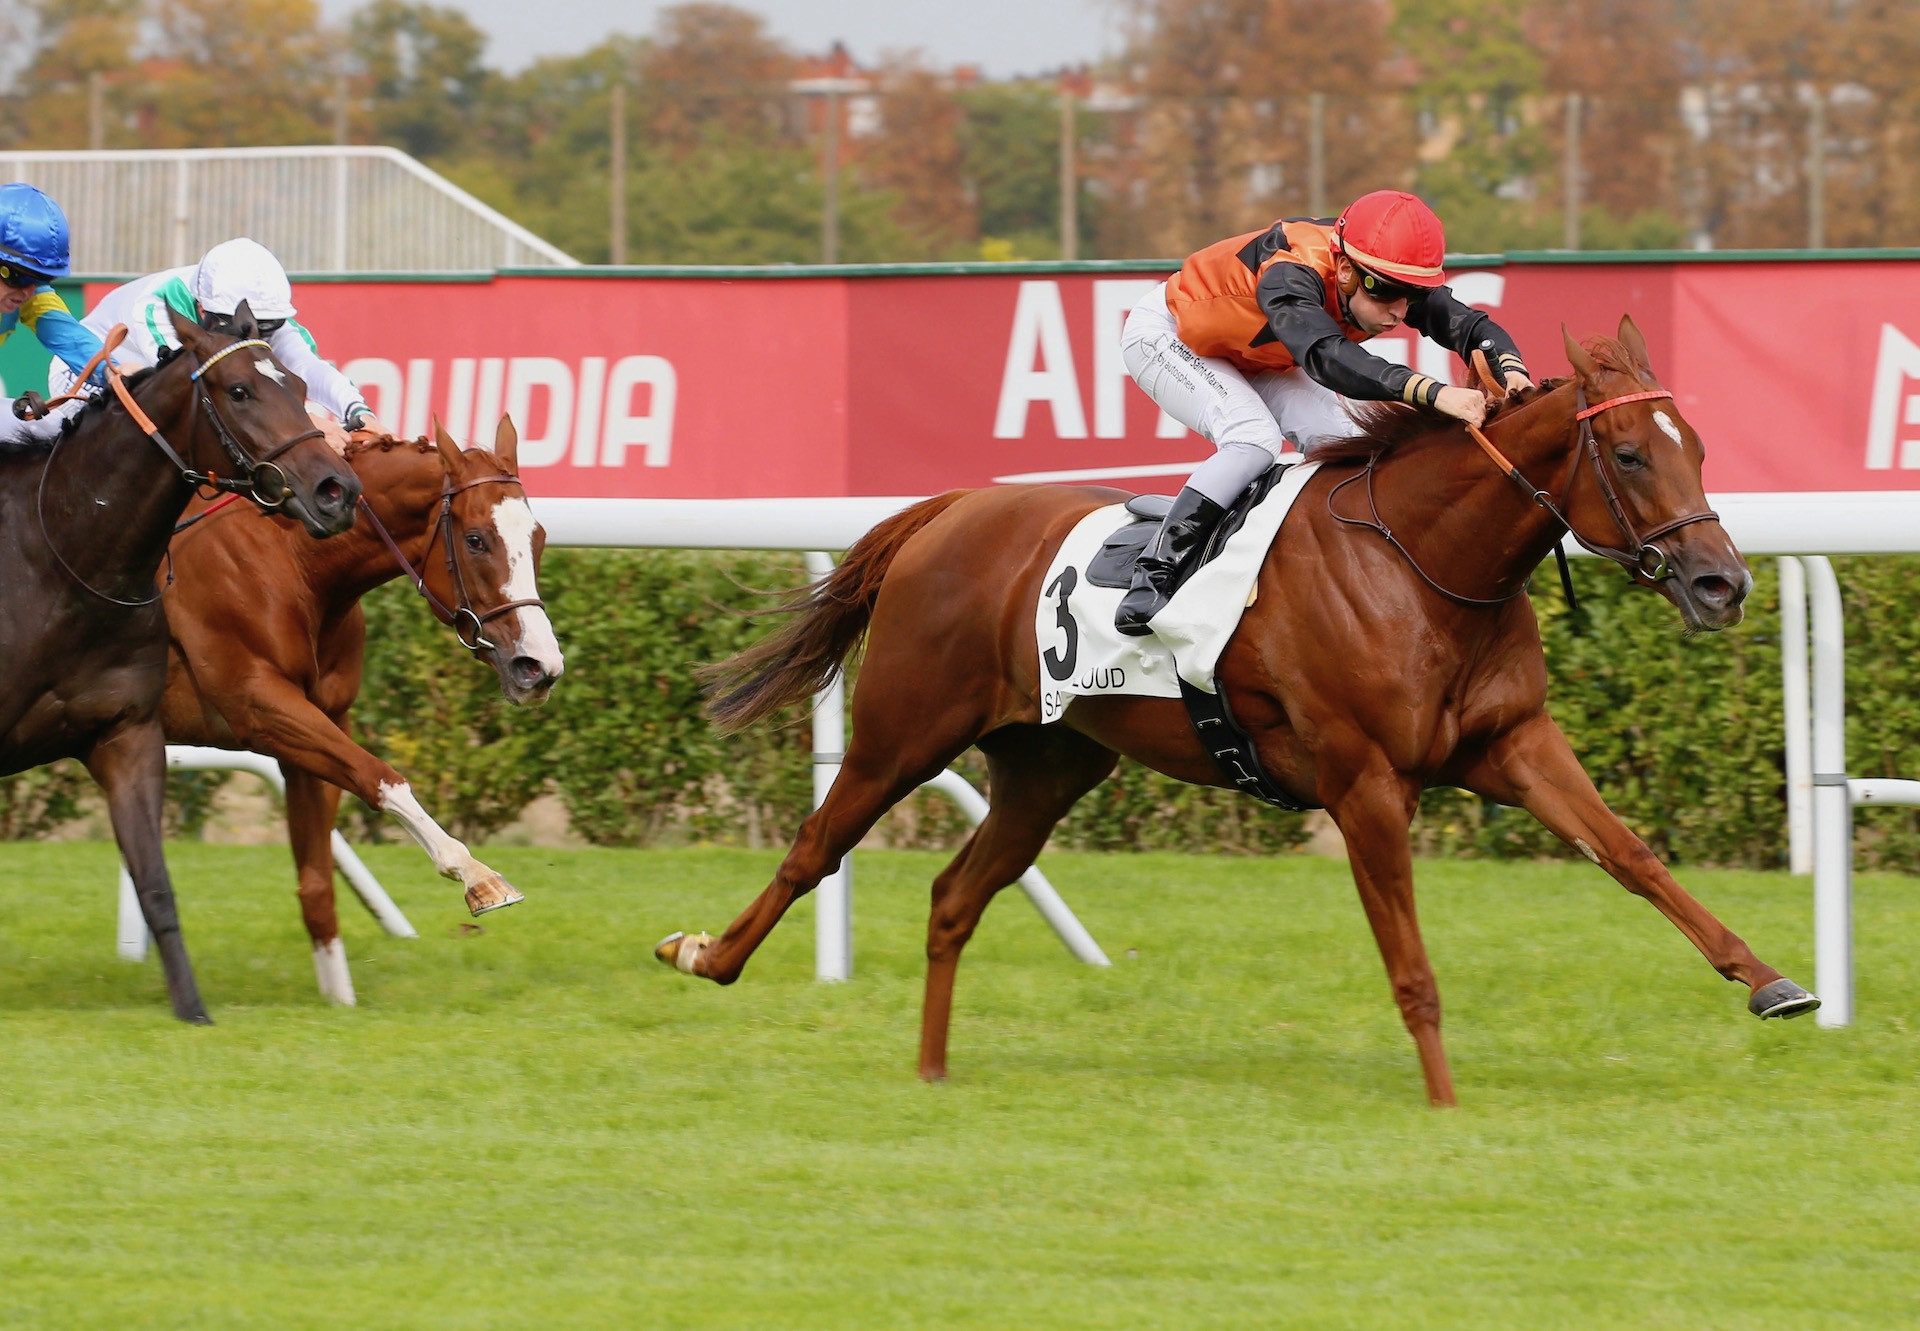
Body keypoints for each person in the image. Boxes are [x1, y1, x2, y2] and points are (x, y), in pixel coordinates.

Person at [1114, 189, 1533, 635]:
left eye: (1413, 296)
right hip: (1173, 333)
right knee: (1252, 439)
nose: (1399, 312)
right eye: (1389, 293)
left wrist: (1514, 371)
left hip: (1258, 351)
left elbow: (1471, 327)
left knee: (1347, 445)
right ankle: (1156, 571)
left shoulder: (1378, 269)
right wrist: (1432, 393)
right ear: (1346, 270)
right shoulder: (1291, 271)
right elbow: (1326, 357)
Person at [52, 236, 381, 435]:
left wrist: (359, 413)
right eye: (241, 328)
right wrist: (307, 424)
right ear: (201, 309)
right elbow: (194, 387)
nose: (254, 336)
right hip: (86, 376)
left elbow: (309, 367)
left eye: (266, 328)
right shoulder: (156, 306)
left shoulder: (261, 313)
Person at [0, 183, 110, 448]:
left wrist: (115, 372)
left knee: (49, 430)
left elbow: (72, 339)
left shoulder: (32, 295)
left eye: (40, 279)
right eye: (18, 276)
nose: (28, 292)